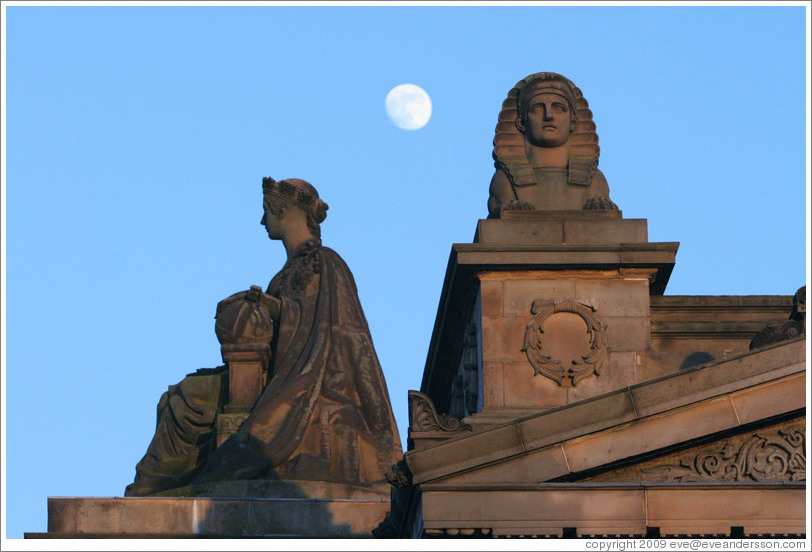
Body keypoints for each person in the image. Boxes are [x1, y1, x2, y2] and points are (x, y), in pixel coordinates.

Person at [125, 177, 402, 496]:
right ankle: (157, 486)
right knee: (178, 397)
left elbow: (332, 330)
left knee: (185, 399)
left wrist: (274, 307)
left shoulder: (326, 263)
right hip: (274, 372)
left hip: (306, 380)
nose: (262, 221)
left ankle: (155, 488)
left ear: (281, 211)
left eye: (266, 213)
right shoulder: (286, 272)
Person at [487, 72, 618, 217]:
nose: (548, 115)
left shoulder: (594, 179)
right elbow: (498, 214)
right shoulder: (504, 180)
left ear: (573, 121)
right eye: (537, 109)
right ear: (521, 122)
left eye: (558, 108)